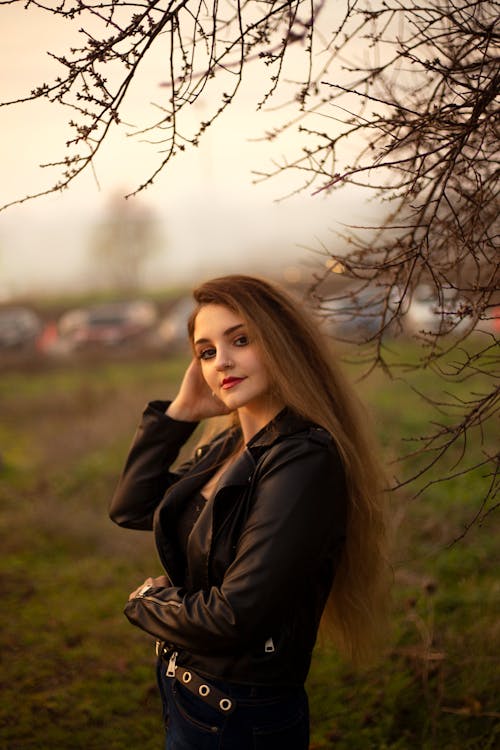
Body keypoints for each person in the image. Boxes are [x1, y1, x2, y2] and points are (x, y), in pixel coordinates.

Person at [109, 274, 389, 749]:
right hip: (190, 697)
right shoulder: (233, 446)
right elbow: (134, 506)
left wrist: (146, 603)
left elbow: (233, 617)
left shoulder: (303, 458)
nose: (223, 362)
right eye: (207, 351)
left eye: (241, 340)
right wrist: (179, 412)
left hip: (238, 717)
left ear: (281, 344)